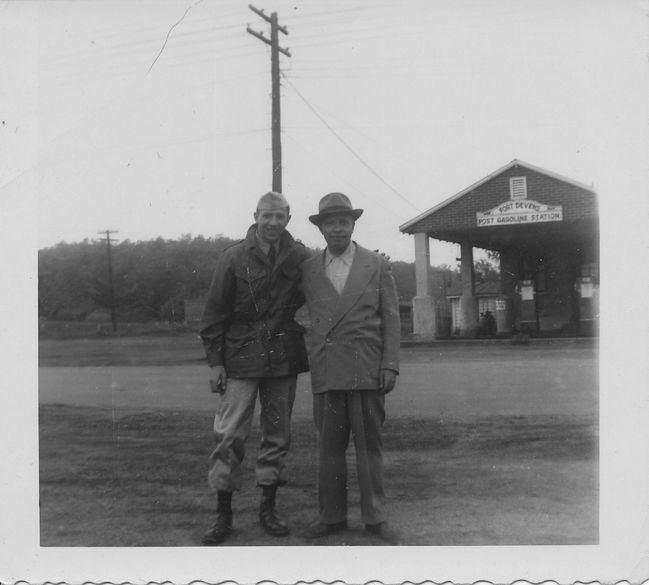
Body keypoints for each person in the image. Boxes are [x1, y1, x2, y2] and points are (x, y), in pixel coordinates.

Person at [199, 191, 310, 545]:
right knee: (229, 435)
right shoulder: (233, 257)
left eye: (280, 217)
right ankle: (223, 514)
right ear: (256, 216)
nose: (273, 223)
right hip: (240, 357)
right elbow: (215, 313)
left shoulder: (301, 257)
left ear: (288, 219)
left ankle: (268, 508)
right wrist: (215, 362)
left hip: (283, 355)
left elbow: (322, 289)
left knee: (277, 435)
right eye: (267, 216)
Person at [300, 192, 401, 545]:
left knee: (369, 448)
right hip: (327, 371)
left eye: (343, 221)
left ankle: (375, 519)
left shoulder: (376, 264)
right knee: (329, 450)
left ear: (353, 224)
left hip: (367, 369)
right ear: (321, 228)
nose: (337, 228)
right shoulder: (309, 269)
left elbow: (391, 318)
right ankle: (331, 517)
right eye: (330, 223)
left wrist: (389, 365)